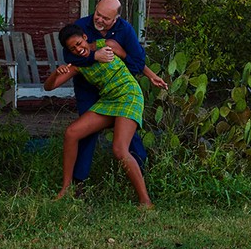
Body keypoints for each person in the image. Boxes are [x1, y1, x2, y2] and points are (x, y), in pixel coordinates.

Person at [43, 24, 162, 206]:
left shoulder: (108, 45)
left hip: (128, 95)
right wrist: (55, 73)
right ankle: (66, 189)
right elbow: (49, 87)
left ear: (84, 36)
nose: (78, 49)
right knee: (71, 133)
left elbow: (133, 61)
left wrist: (152, 76)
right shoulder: (77, 65)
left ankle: (146, 201)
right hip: (108, 100)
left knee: (119, 149)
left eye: (79, 43)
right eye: (72, 48)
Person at [63, 0, 167, 189]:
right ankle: (79, 185)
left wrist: (120, 53)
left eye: (105, 18)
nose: (99, 20)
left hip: (119, 90)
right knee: (86, 133)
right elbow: (70, 55)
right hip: (89, 88)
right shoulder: (82, 26)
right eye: (97, 14)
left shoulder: (125, 30)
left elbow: (136, 63)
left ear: (116, 19)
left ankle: (142, 175)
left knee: (128, 134)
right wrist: (95, 56)